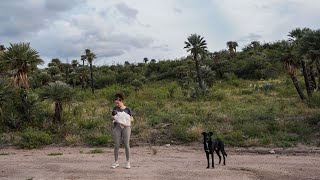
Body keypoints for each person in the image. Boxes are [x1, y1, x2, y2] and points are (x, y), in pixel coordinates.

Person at [111, 93, 134, 169]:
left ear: (121, 100)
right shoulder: (115, 108)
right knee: (116, 145)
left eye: (118, 103)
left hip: (126, 127)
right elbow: (113, 117)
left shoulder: (128, 109)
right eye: (116, 103)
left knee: (126, 145)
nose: (117, 105)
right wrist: (118, 119)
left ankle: (128, 162)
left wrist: (126, 119)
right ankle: (116, 161)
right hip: (117, 127)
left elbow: (132, 119)